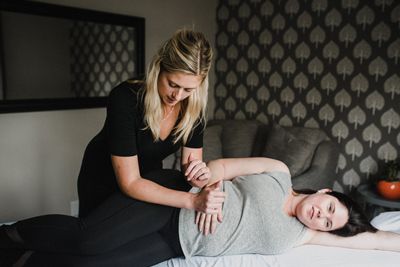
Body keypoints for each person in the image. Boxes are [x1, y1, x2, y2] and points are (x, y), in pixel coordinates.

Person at [1, 157, 399, 267]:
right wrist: (212, 190)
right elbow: (221, 168)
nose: (322, 216)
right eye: (329, 207)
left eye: (329, 222)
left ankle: (19, 258)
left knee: (94, 265)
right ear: (326, 191)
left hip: (175, 243)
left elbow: (378, 240)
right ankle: (9, 234)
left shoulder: (301, 234)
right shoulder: (278, 172)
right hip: (173, 200)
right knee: (90, 239)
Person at [76, 28, 225, 219]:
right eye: (173, 84)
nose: (178, 96)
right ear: (159, 68)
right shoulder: (125, 98)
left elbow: (190, 173)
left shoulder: (193, 110)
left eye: (188, 89)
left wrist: (199, 176)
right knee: (93, 241)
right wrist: (192, 201)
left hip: (148, 179)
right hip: (103, 179)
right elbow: (129, 182)